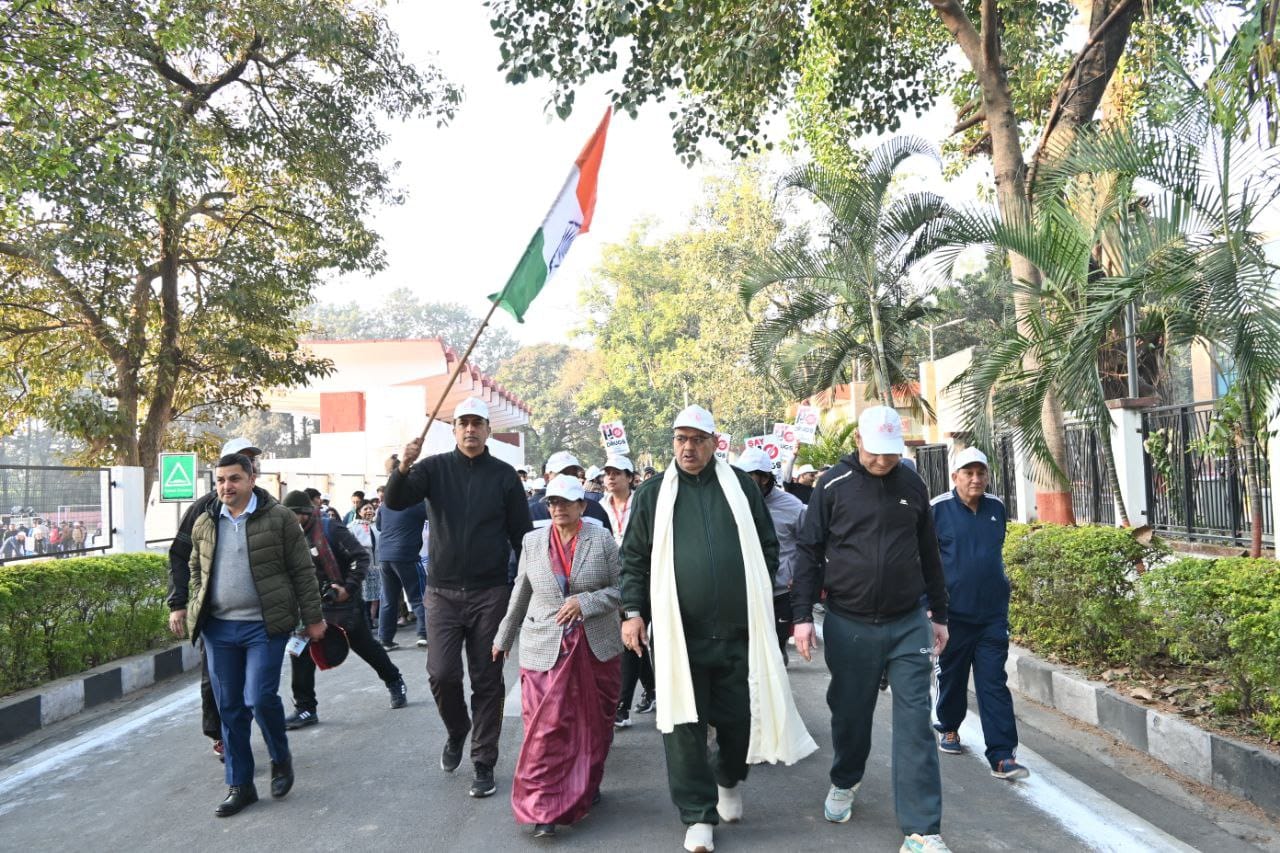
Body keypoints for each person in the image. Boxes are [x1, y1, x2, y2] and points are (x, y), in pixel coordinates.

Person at [620, 405, 816, 853]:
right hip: (679, 636)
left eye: (697, 439)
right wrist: (633, 611)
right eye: (680, 439)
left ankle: (729, 778)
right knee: (684, 727)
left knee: (738, 723)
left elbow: (767, 546)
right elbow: (633, 558)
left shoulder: (740, 487)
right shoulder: (653, 494)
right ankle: (698, 815)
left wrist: (758, 593)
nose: (688, 447)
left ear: (714, 442)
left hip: (739, 633)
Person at [791, 405, 951, 853]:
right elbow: (808, 550)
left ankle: (922, 829)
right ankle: (846, 778)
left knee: (916, 721)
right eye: (875, 453)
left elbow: (929, 551)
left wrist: (939, 613)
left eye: (891, 454)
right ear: (858, 442)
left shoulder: (913, 483)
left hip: (907, 623)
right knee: (850, 712)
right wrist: (801, 616)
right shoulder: (833, 485)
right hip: (849, 621)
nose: (883, 462)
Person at [384, 397, 533, 799]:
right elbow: (395, 501)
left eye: (477, 424)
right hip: (442, 593)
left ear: (488, 430)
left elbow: (522, 535)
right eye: (463, 423)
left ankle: (483, 761)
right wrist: (403, 466)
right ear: (454, 430)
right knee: (442, 673)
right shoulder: (432, 469)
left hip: (491, 593)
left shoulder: (504, 477)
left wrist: (534, 587)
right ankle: (457, 731)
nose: (470, 430)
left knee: (487, 680)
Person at [173, 453, 325, 817]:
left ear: (252, 479)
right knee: (229, 707)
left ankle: (279, 756)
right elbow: (195, 566)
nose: (227, 486)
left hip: (265, 625)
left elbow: (303, 571)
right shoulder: (205, 521)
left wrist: (313, 617)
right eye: (221, 480)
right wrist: (192, 602)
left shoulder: (280, 519)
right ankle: (240, 785)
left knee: (259, 697)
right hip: (219, 628)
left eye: (234, 479)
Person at [493, 475, 624, 838]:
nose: (557, 509)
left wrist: (586, 602)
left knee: (594, 727)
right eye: (552, 502)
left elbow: (624, 588)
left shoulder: (601, 540)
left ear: (582, 505)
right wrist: (504, 635)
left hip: (595, 647)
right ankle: (543, 808)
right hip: (543, 647)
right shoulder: (533, 541)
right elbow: (521, 590)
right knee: (545, 730)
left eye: (566, 502)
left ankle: (586, 783)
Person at [930, 447, 1029, 781]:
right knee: (953, 676)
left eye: (980, 473)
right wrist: (930, 607)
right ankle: (948, 726)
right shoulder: (937, 509)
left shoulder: (996, 507)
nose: (975, 479)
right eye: (968, 473)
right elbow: (924, 561)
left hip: (991, 614)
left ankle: (1002, 756)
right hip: (952, 614)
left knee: (993, 682)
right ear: (954, 476)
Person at [167, 437, 262, 764]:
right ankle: (222, 736)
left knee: (257, 687)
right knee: (217, 680)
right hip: (216, 615)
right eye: (240, 461)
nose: (248, 466)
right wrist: (178, 603)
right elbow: (179, 555)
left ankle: (246, 734)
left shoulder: (268, 507)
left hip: (258, 617)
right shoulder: (203, 509)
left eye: (251, 461)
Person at [280, 491, 406, 731]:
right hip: (309, 604)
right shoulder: (287, 535)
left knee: (365, 646)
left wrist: (347, 588)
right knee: (300, 652)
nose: (288, 521)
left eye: (293, 515)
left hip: (343, 603)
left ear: (305, 513)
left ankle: (394, 681)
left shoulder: (330, 528)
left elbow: (360, 558)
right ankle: (306, 708)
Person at [734, 448, 806, 665]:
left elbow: (810, 545)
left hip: (779, 591)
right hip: (743, 590)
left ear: (765, 478)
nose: (742, 482)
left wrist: (800, 575)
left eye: (749, 477)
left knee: (774, 652)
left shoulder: (793, 508)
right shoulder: (732, 504)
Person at [603, 454, 655, 727]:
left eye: (617, 473)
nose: (611, 477)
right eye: (607, 473)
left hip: (641, 577)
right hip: (610, 578)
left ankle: (621, 706)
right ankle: (653, 687)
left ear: (630, 477)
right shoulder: (600, 507)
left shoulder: (644, 502)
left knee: (632, 636)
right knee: (634, 638)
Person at [375, 455, 429, 650]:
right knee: (419, 595)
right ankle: (424, 634)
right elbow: (436, 516)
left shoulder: (385, 504)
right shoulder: (416, 503)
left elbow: (380, 526)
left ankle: (385, 639)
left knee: (388, 599)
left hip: (385, 556)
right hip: (406, 555)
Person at [529, 452, 613, 533]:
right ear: (547, 477)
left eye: (573, 475)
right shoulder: (533, 513)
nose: (568, 479)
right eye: (562, 473)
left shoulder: (596, 510)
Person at [348, 500, 381, 628]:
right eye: (366, 508)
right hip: (360, 567)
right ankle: (363, 621)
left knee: (375, 595)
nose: (369, 511)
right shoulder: (352, 527)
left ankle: (371, 620)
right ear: (359, 511)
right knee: (362, 595)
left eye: (371, 509)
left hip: (377, 565)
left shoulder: (377, 526)